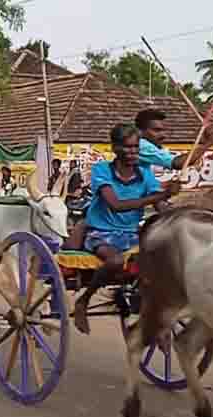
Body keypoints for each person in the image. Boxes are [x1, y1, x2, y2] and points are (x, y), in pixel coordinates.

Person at [72, 124, 179, 334]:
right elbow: (116, 205)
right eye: (128, 147)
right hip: (101, 234)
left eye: (136, 148)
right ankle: (83, 301)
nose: (133, 152)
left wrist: (174, 211)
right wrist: (160, 196)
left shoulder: (145, 175)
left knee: (161, 264)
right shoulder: (101, 170)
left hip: (132, 236)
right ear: (115, 148)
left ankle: (142, 313)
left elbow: (160, 206)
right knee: (115, 261)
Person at [135, 108, 213, 174]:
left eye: (163, 130)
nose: (163, 135)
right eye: (157, 130)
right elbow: (177, 163)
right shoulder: (141, 145)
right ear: (140, 131)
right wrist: (209, 143)